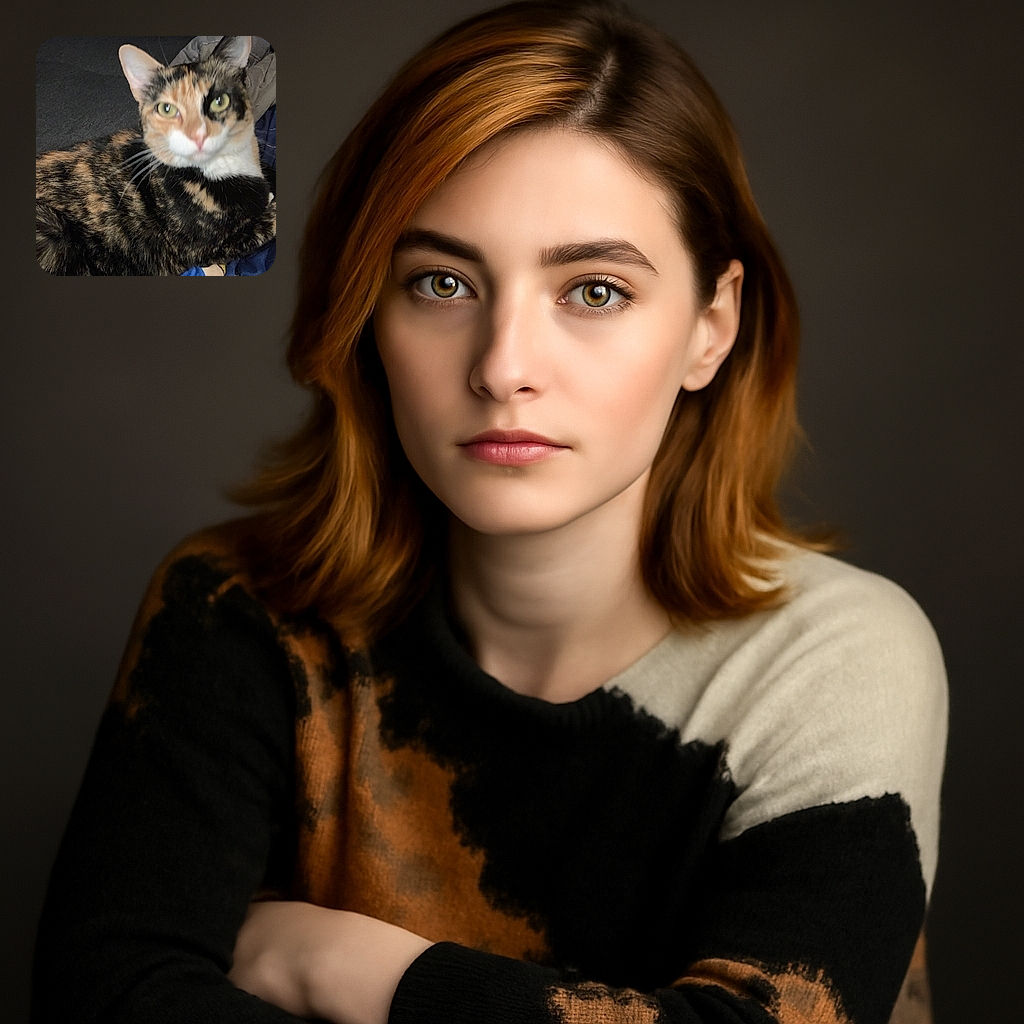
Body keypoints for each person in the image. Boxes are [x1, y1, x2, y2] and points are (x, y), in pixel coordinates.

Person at [31, 2, 947, 1022]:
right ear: (365, 313)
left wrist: (355, 967)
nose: (504, 368)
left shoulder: (834, 660)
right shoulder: (236, 609)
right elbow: (108, 994)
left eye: (594, 291)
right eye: (439, 282)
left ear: (711, 326)